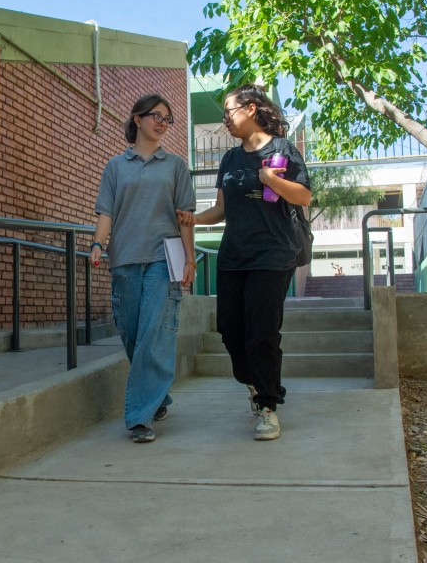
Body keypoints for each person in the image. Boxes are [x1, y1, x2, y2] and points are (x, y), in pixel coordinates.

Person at [178, 84, 310, 441]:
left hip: (273, 253)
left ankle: (268, 406)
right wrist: (193, 219)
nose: (225, 121)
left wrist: (271, 180)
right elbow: (221, 209)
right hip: (234, 255)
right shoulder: (230, 160)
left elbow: (304, 195)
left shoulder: (282, 149)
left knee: (262, 333)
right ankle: (254, 383)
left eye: (229, 112)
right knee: (230, 330)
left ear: (250, 109)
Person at [91, 94, 197, 444]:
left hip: (162, 259)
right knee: (132, 332)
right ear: (137, 119)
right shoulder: (115, 166)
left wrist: (190, 259)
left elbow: (185, 219)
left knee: (155, 332)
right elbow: (106, 212)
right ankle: (158, 396)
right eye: (157, 116)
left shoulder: (177, 166)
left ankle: (139, 417)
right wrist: (97, 243)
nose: (163, 123)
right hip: (123, 257)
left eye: (169, 119)